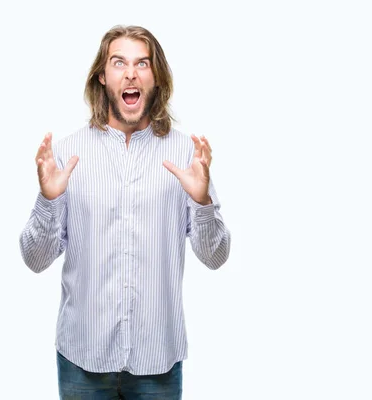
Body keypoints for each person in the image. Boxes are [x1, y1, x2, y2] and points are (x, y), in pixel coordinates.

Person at [19, 25, 231, 399]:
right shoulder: (68, 153)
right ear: (103, 76)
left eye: (142, 63)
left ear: (156, 77)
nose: (130, 73)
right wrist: (48, 200)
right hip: (81, 361)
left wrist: (202, 203)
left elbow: (215, 258)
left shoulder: (186, 156)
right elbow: (35, 260)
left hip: (158, 364)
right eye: (119, 63)